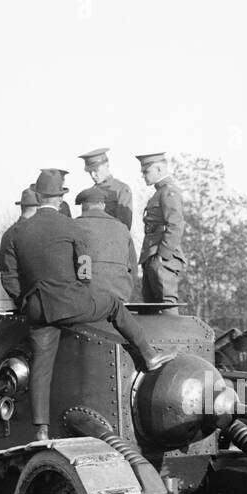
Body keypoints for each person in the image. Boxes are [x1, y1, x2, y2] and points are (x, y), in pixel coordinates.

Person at [15, 170, 168, 441]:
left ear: (37, 197)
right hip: (71, 302)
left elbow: (10, 275)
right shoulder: (71, 226)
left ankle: (40, 429)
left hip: (38, 307)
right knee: (111, 305)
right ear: (59, 197)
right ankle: (150, 355)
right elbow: (84, 272)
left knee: (41, 364)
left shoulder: (19, 231)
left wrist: (26, 300)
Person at [137, 152, 186, 305]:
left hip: (162, 257)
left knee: (166, 305)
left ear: (159, 169)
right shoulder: (159, 192)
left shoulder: (168, 192)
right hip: (152, 255)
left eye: (146, 171)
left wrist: (163, 255)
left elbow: (175, 225)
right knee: (151, 308)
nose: (143, 176)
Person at [74, 185, 135, 301]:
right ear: (103, 205)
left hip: (86, 298)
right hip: (120, 297)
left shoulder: (74, 225)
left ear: (83, 207)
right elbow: (133, 268)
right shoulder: (122, 228)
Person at [0, 188, 40, 303]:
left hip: (24, 302)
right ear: (38, 208)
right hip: (36, 303)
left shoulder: (9, 234)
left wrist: (22, 301)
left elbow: (7, 276)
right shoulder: (37, 233)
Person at [78, 148, 134, 231]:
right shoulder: (90, 193)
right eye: (90, 172)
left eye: (96, 171)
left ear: (106, 165)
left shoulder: (121, 189)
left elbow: (124, 226)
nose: (93, 175)